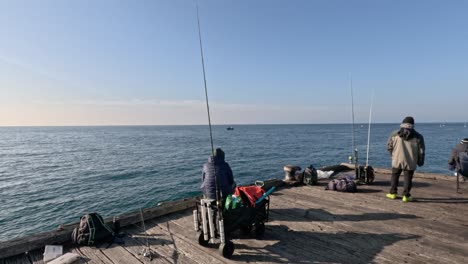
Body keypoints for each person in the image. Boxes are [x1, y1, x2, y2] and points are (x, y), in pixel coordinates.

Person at [386, 116, 425, 202]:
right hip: (410, 161)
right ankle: (406, 196)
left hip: (397, 159)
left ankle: (393, 193)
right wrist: (420, 162)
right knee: (408, 178)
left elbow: (389, 146)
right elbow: (421, 151)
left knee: (395, 176)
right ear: (413, 125)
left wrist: (392, 155)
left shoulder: (394, 134)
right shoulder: (418, 136)